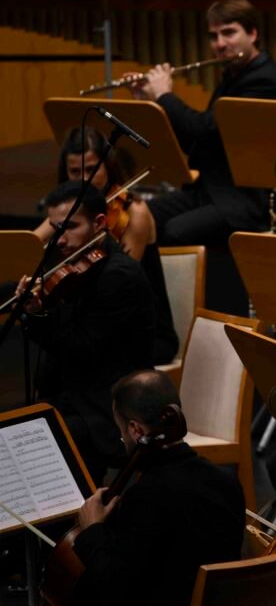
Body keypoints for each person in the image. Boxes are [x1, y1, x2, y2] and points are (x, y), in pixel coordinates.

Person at [125, 0, 276, 246]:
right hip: (214, 191)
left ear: (253, 34)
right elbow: (196, 144)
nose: (220, 43)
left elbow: (203, 130)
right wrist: (151, 100)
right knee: (134, 217)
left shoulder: (264, 82)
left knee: (175, 231)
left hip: (250, 202)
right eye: (214, 36)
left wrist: (165, 96)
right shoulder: (233, 76)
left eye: (229, 33)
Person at [69, 369, 245, 606]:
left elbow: (114, 587)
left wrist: (92, 530)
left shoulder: (147, 496)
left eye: (121, 431)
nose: (122, 439)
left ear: (136, 430)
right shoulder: (227, 480)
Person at [17, 181, 155, 481]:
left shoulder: (119, 276)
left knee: (38, 438)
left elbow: (81, 349)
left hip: (112, 408)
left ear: (100, 223)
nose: (60, 239)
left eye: (70, 227)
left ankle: (74, 517)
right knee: (19, 428)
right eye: (55, 228)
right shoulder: (77, 268)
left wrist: (39, 315)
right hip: (81, 393)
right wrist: (35, 311)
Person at [32, 127, 177, 364]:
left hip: (140, 330)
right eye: (75, 171)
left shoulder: (134, 213)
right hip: (96, 317)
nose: (84, 179)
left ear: (107, 166)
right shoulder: (72, 210)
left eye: (91, 170)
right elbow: (30, 244)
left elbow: (122, 285)